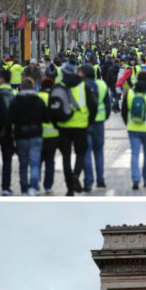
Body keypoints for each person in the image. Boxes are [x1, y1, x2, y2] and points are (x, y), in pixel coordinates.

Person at [53, 62, 98, 195]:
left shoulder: (57, 87)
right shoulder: (83, 86)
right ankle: (76, 176)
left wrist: (56, 124)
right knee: (80, 154)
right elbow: (93, 105)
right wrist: (90, 121)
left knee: (66, 157)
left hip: (63, 127)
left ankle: (69, 188)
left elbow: (52, 108)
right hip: (81, 126)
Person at [122, 70, 146, 191]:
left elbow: (124, 111)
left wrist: (128, 123)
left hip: (133, 128)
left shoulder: (129, 93)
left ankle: (135, 179)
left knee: (134, 154)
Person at [10, 78, 46, 195]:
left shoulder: (16, 101)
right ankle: (33, 186)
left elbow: (10, 118)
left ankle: (24, 189)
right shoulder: (38, 100)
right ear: (32, 87)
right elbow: (46, 117)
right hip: (36, 134)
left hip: (21, 135)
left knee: (23, 164)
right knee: (35, 163)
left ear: (21, 87)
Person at [82, 64, 111, 192]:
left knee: (86, 152)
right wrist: (104, 117)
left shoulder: (79, 86)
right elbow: (107, 105)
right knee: (99, 152)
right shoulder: (102, 85)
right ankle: (100, 180)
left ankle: (88, 182)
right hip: (99, 122)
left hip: (84, 122)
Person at [0, 68, 17, 195]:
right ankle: (5, 187)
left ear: (2, 79)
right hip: (9, 130)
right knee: (7, 160)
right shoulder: (14, 93)